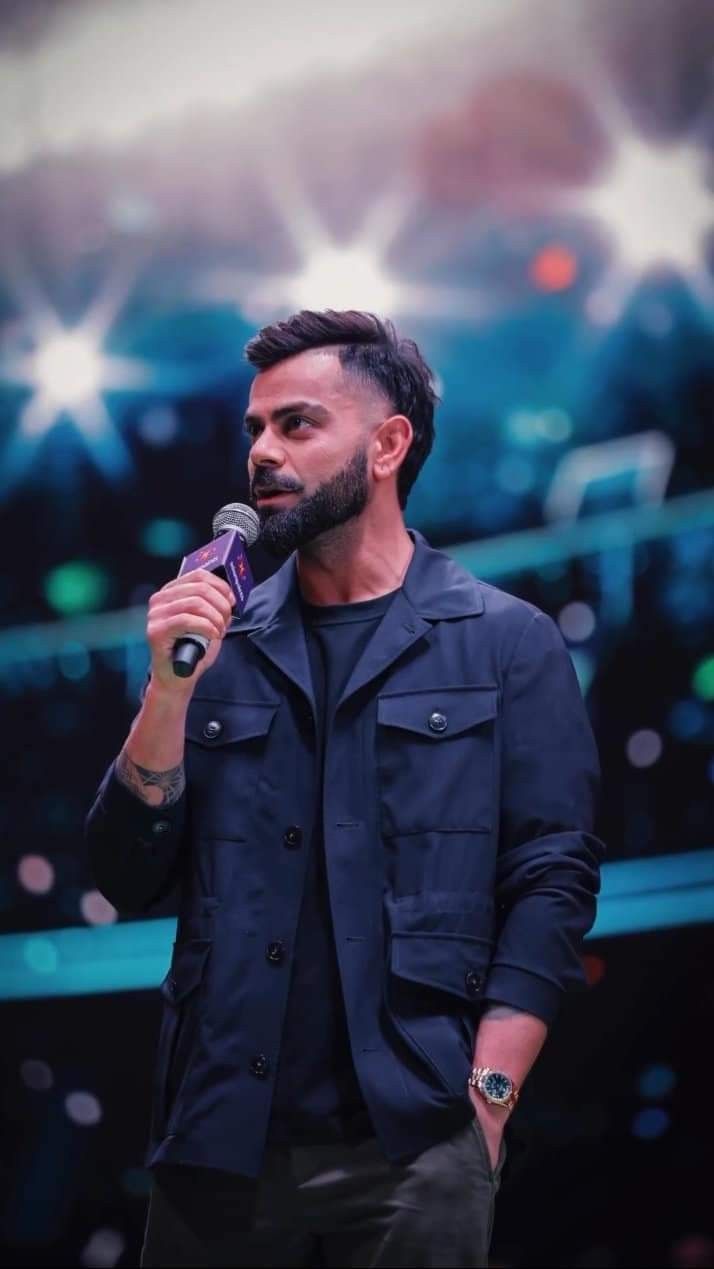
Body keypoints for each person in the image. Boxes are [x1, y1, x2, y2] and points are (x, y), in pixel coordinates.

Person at [85, 309, 604, 1268]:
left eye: (297, 424)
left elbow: (552, 879)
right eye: (255, 430)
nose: (264, 453)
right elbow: (126, 875)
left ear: (387, 443)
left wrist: (486, 1102)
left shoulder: (504, 641)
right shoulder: (211, 650)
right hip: (219, 1147)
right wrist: (166, 691)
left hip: (416, 1146)